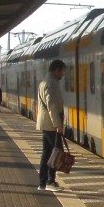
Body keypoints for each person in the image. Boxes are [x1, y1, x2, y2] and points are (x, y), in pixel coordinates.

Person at [36, 59, 66, 192]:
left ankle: (43, 182)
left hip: (46, 123)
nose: (63, 74)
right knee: (56, 153)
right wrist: (58, 124)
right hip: (51, 124)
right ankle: (50, 181)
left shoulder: (44, 82)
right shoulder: (51, 83)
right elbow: (52, 106)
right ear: (56, 70)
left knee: (47, 153)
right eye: (62, 71)